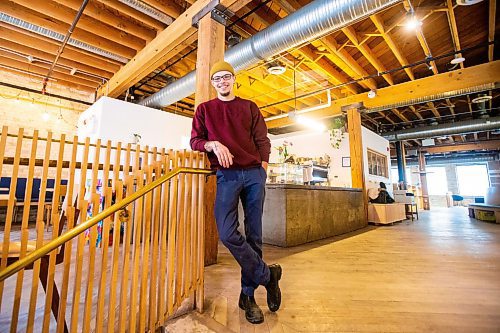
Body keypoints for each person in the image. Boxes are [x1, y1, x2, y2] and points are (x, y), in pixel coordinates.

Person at [190, 61, 282, 324]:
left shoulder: (249, 107)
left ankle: (248, 296)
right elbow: (195, 140)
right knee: (228, 233)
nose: (222, 82)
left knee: (255, 234)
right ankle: (268, 275)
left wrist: (262, 169)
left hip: (253, 174)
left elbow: (263, 140)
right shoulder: (205, 110)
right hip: (227, 176)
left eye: (226, 77)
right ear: (213, 83)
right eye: (217, 78)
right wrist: (211, 143)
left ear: (234, 79)